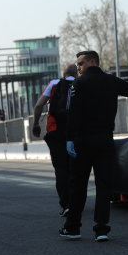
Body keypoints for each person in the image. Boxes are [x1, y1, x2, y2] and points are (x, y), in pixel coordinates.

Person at [59, 50, 128, 242]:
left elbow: (72, 115)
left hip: (81, 142)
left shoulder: (78, 84)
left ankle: (72, 227)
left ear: (92, 61)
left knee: (78, 186)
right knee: (103, 187)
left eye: (81, 63)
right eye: (77, 65)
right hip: (104, 140)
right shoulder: (111, 81)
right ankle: (101, 229)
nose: (78, 68)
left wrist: (69, 139)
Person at [32, 63, 78, 217]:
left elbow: (38, 106)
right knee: (75, 169)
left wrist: (36, 124)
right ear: (76, 73)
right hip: (76, 132)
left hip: (55, 132)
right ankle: (77, 202)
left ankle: (66, 205)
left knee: (61, 169)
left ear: (63, 74)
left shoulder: (54, 84)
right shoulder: (80, 83)